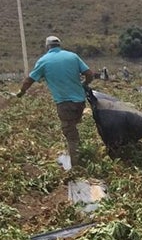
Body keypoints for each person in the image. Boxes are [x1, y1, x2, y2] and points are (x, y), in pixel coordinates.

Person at [15, 35, 94, 169]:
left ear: (47, 46)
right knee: (73, 125)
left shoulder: (44, 61)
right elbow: (89, 74)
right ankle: (76, 151)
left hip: (64, 103)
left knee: (70, 132)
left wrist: (21, 92)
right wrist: (84, 84)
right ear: (59, 45)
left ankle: (76, 166)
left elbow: (29, 80)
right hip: (80, 101)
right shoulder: (72, 56)